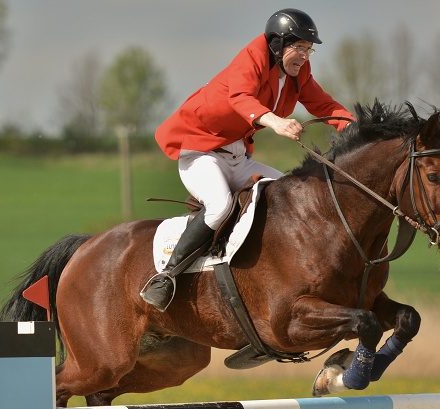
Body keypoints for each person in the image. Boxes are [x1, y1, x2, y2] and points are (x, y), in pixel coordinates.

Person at [142, 7, 354, 310]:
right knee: (220, 206)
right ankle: (166, 277)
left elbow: (325, 105)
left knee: (291, 197)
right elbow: (240, 98)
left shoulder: (298, 73)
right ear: (278, 45)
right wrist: (277, 123)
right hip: (200, 152)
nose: (305, 56)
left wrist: (360, 129)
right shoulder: (252, 57)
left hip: (238, 158)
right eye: (300, 48)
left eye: (309, 50)